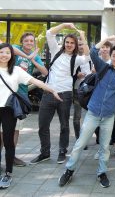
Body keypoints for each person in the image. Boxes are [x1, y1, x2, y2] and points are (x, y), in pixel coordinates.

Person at [58, 36, 115, 188]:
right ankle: (69, 170)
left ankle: (102, 172)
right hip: (93, 113)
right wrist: (108, 38)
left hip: (108, 116)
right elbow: (94, 51)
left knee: (104, 147)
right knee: (80, 143)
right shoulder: (102, 67)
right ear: (111, 56)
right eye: (114, 55)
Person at [0, 43, 61, 189]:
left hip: (8, 111)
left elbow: (36, 81)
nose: (4, 55)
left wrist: (52, 90)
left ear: (11, 55)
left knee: (8, 143)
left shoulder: (16, 70)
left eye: (7, 52)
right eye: (1, 52)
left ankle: (8, 173)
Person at [30, 23, 90, 165]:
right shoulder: (56, 50)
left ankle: (62, 151)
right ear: (64, 43)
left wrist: (82, 36)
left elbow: (87, 55)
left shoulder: (76, 59)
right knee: (43, 125)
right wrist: (64, 25)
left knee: (64, 125)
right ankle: (45, 153)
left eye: (72, 43)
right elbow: (49, 33)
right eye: (67, 42)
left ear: (75, 45)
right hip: (48, 93)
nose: (69, 45)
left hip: (65, 95)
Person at [94, 40, 115, 160]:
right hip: (99, 98)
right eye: (103, 47)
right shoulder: (97, 61)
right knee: (98, 124)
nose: (105, 49)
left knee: (114, 122)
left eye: (107, 47)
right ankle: (101, 148)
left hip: (114, 99)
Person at [73, 39, 92, 147]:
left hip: (90, 90)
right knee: (77, 116)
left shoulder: (90, 58)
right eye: (79, 45)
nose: (81, 47)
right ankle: (79, 139)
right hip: (78, 90)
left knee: (91, 115)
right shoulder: (73, 58)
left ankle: (93, 137)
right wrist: (76, 75)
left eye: (82, 45)